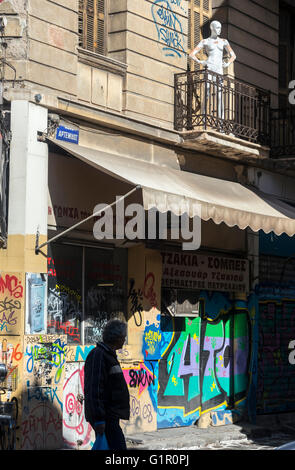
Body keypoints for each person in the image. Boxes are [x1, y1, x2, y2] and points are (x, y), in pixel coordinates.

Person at [84, 318, 130, 450]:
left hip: (110, 416)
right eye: (123, 337)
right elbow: (95, 389)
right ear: (116, 338)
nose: (124, 340)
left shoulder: (108, 355)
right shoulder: (99, 355)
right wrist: (99, 419)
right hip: (105, 417)